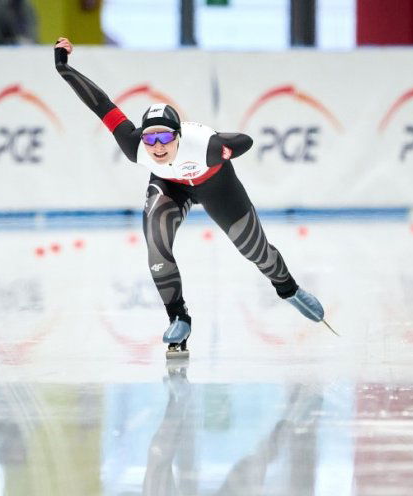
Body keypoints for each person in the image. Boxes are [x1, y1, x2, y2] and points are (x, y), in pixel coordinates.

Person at [53, 37, 329, 358]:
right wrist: (63, 68)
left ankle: (289, 289)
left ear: (179, 137)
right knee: (157, 244)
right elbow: (100, 104)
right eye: (150, 137)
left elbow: (245, 140)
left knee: (255, 251)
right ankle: (178, 317)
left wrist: (226, 150)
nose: (157, 146)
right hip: (170, 185)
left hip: (216, 185)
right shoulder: (134, 145)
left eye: (165, 137)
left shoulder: (205, 145)